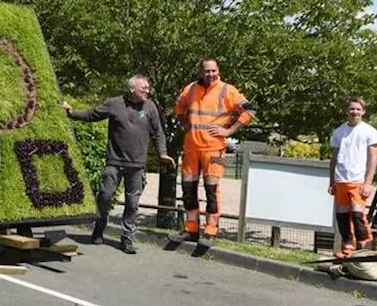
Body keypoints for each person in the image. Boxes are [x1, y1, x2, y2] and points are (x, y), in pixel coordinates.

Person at [64, 75, 175, 253]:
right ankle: (99, 228)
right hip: (114, 162)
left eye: (148, 88)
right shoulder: (114, 104)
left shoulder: (150, 107)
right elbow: (92, 114)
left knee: (132, 203)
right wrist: (72, 113)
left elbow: (159, 132)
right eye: (143, 89)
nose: (148, 91)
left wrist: (163, 153)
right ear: (132, 89)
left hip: (137, 165)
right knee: (105, 197)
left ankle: (127, 238)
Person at [172, 58, 255, 245]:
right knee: (188, 189)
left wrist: (229, 131)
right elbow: (178, 106)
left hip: (213, 148)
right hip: (191, 147)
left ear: (218, 70)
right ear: (200, 72)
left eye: (213, 70)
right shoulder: (190, 88)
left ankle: (211, 230)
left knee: (211, 190)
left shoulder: (227, 90)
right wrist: (182, 122)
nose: (210, 74)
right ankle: (191, 228)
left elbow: (250, 111)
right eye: (207, 71)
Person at [328, 96, 377, 258]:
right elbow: (334, 158)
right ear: (347, 111)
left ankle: (365, 245)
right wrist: (331, 181)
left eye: (358, 109)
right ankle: (348, 246)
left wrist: (368, 182)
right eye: (352, 109)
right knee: (342, 216)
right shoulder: (339, 132)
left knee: (357, 214)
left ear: (363, 111)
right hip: (341, 179)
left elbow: (373, 158)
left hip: (358, 180)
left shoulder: (369, 132)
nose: (354, 112)